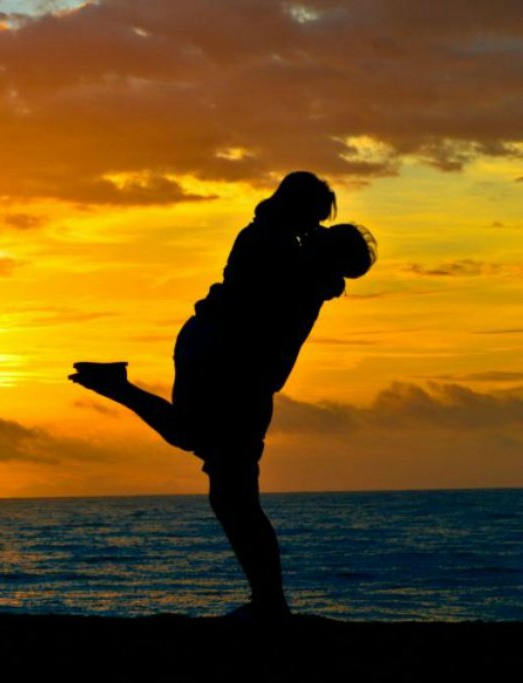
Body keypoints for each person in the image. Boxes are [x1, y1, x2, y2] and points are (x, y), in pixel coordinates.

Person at [69, 173, 377, 621]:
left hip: (228, 365)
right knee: (229, 484)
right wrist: (309, 239)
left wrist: (309, 239)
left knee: (217, 471)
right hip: (226, 366)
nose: (316, 226)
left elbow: (314, 270)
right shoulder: (280, 250)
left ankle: (269, 602)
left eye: (320, 223)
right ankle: (269, 603)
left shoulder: (292, 256)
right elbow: (284, 277)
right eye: (313, 217)